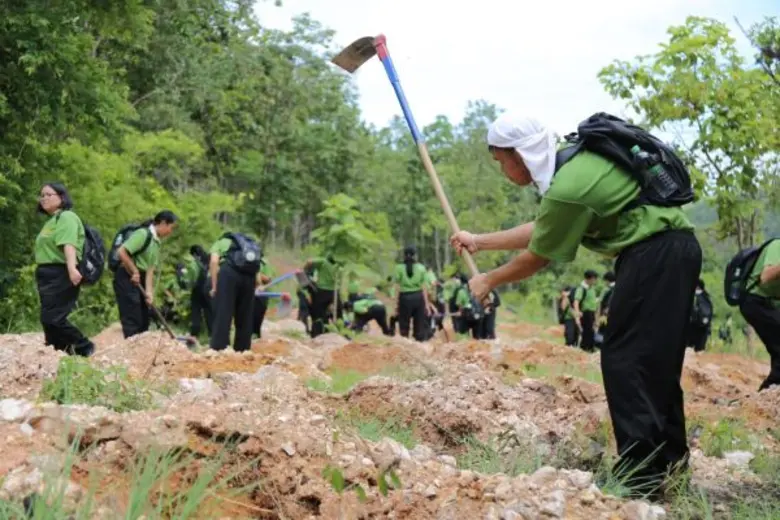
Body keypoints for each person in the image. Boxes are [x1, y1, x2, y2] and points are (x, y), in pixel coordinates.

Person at [450, 113, 701, 498]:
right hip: (671, 251)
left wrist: (488, 280)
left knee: (626, 360)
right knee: (654, 362)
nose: (502, 170)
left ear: (521, 154)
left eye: (501, 160)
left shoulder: (570, 185)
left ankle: (639, 475)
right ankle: (669, 464)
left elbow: (538, 256)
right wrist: (479, 241)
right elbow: (548, 226)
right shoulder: (576, 166)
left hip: (655, 255)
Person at [34, 182, 95, 357]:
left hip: (61, 273)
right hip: (47, 274)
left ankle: (84, 347)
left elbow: (68, 244)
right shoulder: (51, 221)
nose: (44, 198)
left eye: (48, 194)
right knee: (48, 319)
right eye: (42, 195)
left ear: (61, 197)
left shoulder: (67, 217)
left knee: (53, 318)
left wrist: (71, 269)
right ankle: (59, 352)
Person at [114, 210, 178, 339]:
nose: (171, 232)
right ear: (163, 223)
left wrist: (149, 293)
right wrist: (134, 270)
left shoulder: (156, 242)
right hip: (127, 276)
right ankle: (131, 351)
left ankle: (142, 351)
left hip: (141, 278)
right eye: (171, 228)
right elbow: (122, 252)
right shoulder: (143, 234)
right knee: (133, 317)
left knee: (144, 318)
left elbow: (150, 270)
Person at [738, 238, 780, 391]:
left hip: (769, 304)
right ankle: (767, 393)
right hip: (754, 301)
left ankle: (768, 393)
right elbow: (766, 276)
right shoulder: (777, 246)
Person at [209, 232, 262, 351]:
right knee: (245, 315)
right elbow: (257, 271)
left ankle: (219, 348)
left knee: (224, 311)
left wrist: (214, 286)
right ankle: (242, 349)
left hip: (229, 274)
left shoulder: (222, 242)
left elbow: (213, 261)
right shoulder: (252, 247)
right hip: (249, 277)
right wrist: (258, 284)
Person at [393, 246, 432, 341]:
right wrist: (427, 304)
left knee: (404, 324)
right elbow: (424, 288)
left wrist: (396, 304)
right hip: (418, 297)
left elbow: (397, 287)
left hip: (404, 298)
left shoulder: (398, 268)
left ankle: (405, 343)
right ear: (415, 255)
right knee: (419, 323)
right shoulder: (421, 268)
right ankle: (419, 344)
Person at [303, 255, 343, 338]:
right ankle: (339, 334)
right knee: (338, 314)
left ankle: (317, 335)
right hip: (335, 292)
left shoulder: (323, 262)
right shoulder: (340, 267)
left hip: (322, 291)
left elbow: (309, 261)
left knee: (318, 315)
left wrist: (306, 270)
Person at [187, 245, 213, 338]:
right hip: (207, 289)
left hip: (197, 289)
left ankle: (194, 334)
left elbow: (191, 279)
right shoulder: (208, 258)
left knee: (195, 312)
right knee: (209, 312)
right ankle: (212, 335)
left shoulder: (194, 262)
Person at [573, 270, 600, 352]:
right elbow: (576, 301)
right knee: (587, 331)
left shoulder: (592, 289)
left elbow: (594, 304)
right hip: (585, 313)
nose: (595, 281)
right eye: (594, 279)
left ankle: (590, 347)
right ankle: (585, 348)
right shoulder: (581, 289)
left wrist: (596, 317)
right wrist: (577, 313)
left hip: (592, 313)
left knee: (592, 331)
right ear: (589, 279)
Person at [686, 279, 712, 353]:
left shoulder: (692, 296)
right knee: (700, 351)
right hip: (703, 329)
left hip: (692, 328)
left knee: (689, 350)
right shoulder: (707, 297)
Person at [252, 261, 275, 338]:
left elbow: (268, 279)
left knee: (258, 316)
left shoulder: (264, 262)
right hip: (248, 291)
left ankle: (256, 335)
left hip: (261, 293)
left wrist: (258, 275)